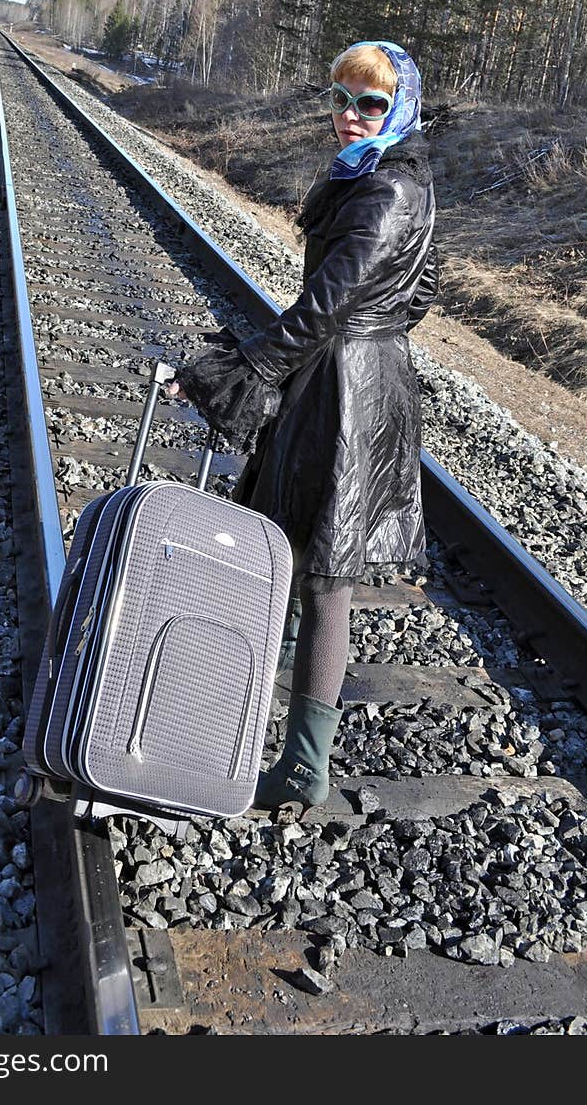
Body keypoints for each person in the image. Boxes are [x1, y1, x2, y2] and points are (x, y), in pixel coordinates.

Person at [167, 40, 439, 812]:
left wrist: (254, 368)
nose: (350, 115)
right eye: (342, 98)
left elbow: (328, 305)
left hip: (347, 391)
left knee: (322, 577)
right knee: (287, 549)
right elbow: (418, 294)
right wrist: (372, 337)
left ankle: (302, 769)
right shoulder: (380, 175)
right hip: (348, 374)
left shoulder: (387, 190)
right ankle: (242, 703)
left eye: (371, 103)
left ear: (401, 109)